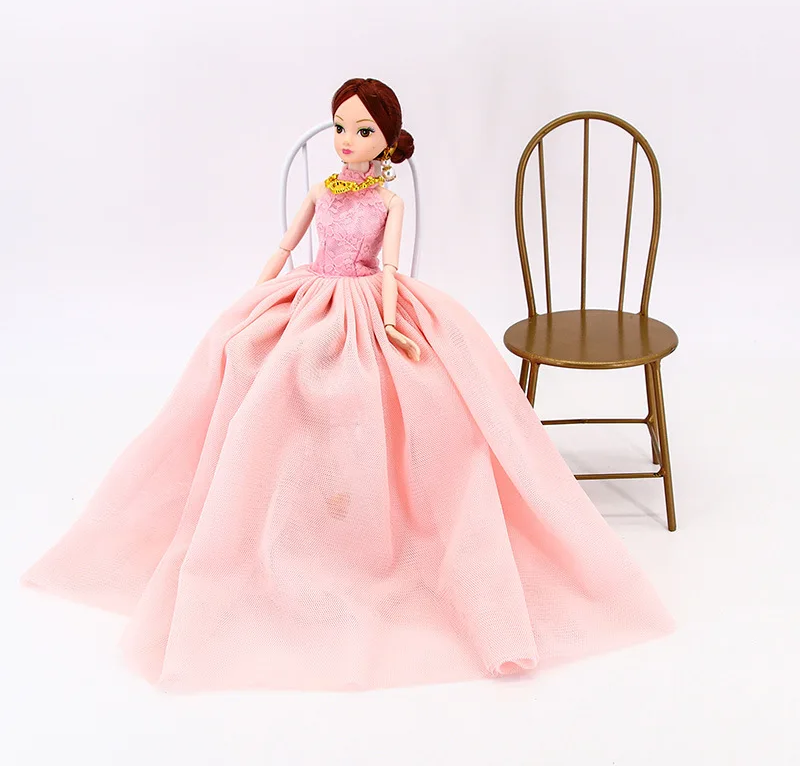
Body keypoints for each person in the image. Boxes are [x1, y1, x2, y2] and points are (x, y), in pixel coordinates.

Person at [21, 77, 674, 692]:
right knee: (254, 357)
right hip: (307, 294)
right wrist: (252, 299)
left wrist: (389, 322)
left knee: (385, 385)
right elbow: (285, 248)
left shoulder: (389, 201)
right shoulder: (322, 190)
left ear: (386, 141)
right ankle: (263, 505)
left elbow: (390, 268)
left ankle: (360, 521)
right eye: (339, 126)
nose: (346, 139)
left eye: (362, 131)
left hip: (366, 301)